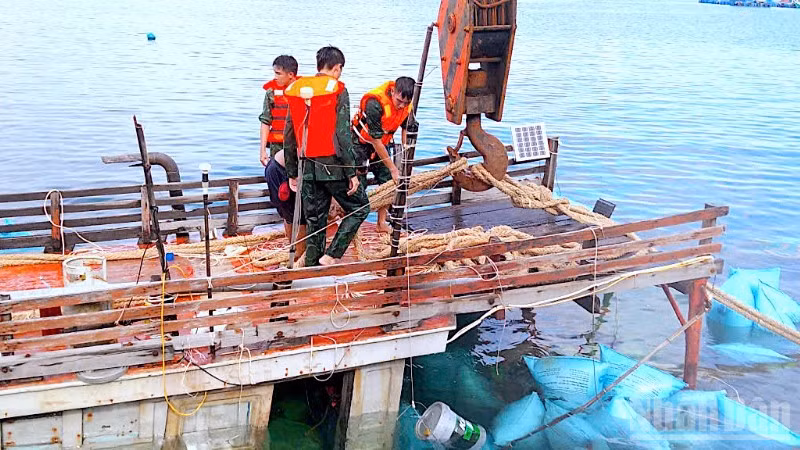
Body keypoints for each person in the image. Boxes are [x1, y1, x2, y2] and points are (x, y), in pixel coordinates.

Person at [283, 46, 369, 267]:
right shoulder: (338, 89)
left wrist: (292, 172)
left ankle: (312, 268)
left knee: (315, 221)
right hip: (333, 166)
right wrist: (351, 172)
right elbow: (343, 133)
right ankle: (332, 254)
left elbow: (289, 135)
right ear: (337, 68)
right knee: (360, 207)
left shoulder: (296, 89)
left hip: (306, 167)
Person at [351, 76, 414, 232]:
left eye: (406, 103)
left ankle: (381, 223)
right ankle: (353, 227)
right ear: (393, 91)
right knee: (358, 185)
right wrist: (394, 168)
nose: (401, 106)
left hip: (382, 145)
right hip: (360, 144)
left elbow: (405, 127)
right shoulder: (375, 104)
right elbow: (375, 140)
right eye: (399, 101)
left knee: (387, 182)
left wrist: (405, 151)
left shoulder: (406, 106)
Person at [263, 149, 305, 264]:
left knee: (297, 214)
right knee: (297, 215)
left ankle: (298, 251)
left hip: (293, 168)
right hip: (280, 170)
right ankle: (298, 253)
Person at [259, 55, 299, 166]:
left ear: (291, 74)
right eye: (275, 73)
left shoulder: (305, 91)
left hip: (298, 146)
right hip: (277, 146)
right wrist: (262, 151)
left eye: (278, 73)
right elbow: (265, 121)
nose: (275, 77)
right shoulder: (271, 93)